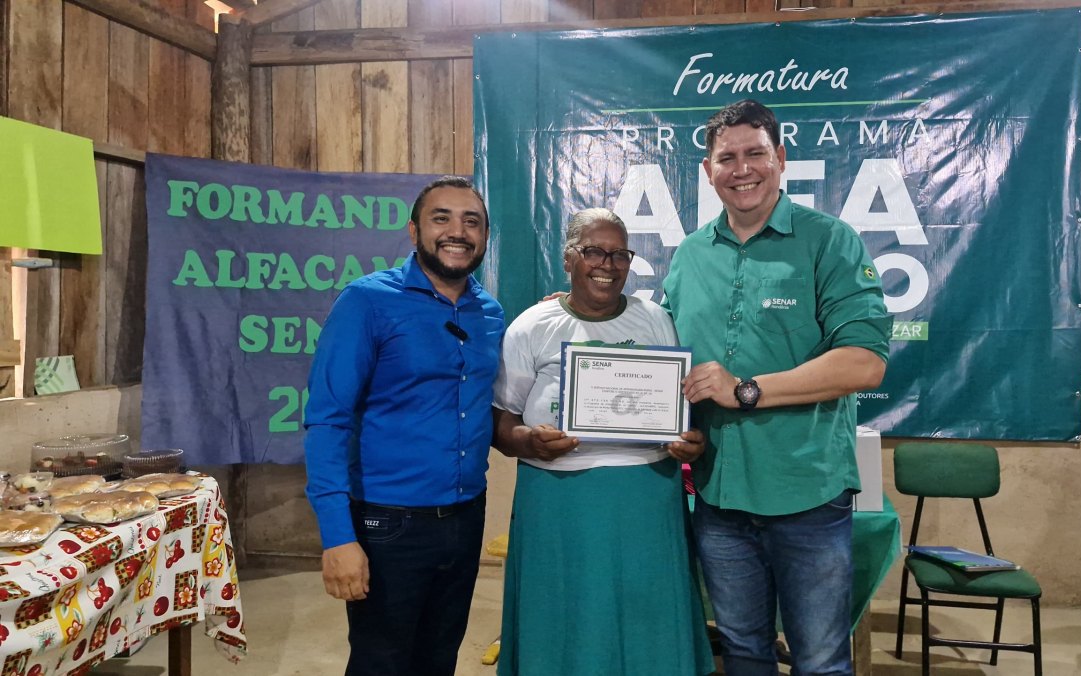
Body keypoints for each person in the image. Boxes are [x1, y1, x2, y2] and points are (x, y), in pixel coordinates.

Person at [662, 100, 892, 676]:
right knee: (743, 653)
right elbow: (659, 347)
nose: (742, 169)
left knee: (820, 661)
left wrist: (746, 390)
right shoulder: (689, 256)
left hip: (807, 494)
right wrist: (581, 315)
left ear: (781, 159)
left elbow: (864, 363)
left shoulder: (829, 241)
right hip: (719, 497)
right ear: (708, 170)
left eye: (755, 154)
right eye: (727, 158)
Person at [492, 208, 715, 676]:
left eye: (619, 254)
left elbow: (678, 414)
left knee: (648, 616)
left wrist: (688, 443)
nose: (607, 265)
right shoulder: (531, 326)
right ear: (568, 259)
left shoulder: (655, 320)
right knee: (565, 614)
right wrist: (529, 442)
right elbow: (501, 424)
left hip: (646, 496)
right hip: (558, 498)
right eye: (594, 251)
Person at [303, 176, 504, 675]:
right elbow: (327, 421)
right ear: (414, 231)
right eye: (442, 218)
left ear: (484, 236)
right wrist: (337, 537)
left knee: (438, 660)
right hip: (387, 525)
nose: (457, 231)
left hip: (465, 519)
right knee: (381, 663)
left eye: (471, 221)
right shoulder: (367, 302)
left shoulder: (490, 313)